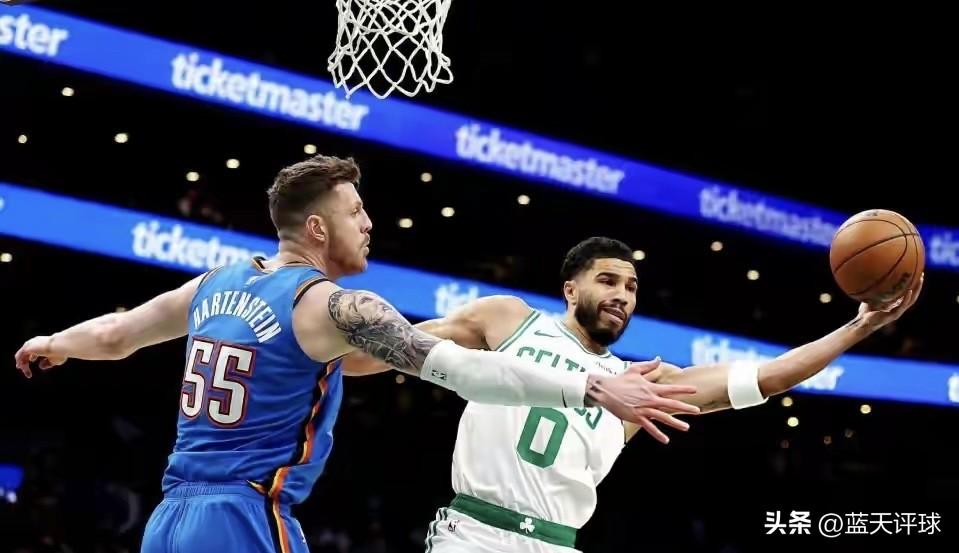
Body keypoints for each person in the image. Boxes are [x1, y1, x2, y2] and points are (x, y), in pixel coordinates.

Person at [13, 157, 700, 553]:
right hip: (244, 515)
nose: (369, 224)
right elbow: (466, 370)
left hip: (168, 518)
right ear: (317, 227)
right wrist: (589, 387)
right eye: (356, 213)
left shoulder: (213, 283)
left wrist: (52, 343)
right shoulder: (337, 306)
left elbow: (116, 335)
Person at [341, 236, 923, 553]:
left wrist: (859, 327)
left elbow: (768, 377)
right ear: (570, 289)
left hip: (559, 543)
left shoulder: (642, 383)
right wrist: (323, 360)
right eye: (608, 280)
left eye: (632, 286)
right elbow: (397, 349)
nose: (623, 294)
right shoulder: (509, 320)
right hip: (475, 535)